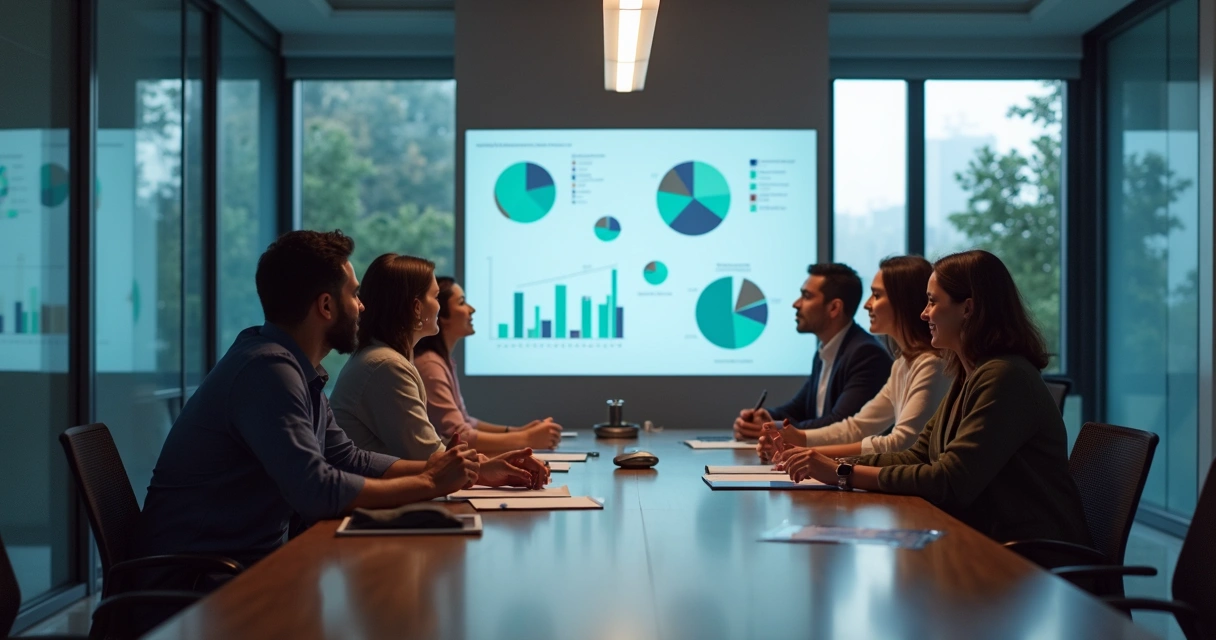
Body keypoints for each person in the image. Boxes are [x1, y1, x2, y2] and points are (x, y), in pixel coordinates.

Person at [134, 231, 531, 585]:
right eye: (354, 295)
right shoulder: (267, 371)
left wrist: (455, 471)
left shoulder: (292, 368)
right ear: (326, 306)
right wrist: (430, 484)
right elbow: (317, 489)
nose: (362, 307)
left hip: (243, 566)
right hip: (197, 582)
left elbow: (346, 457)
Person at [781, 250, 1091, 545]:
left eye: (932, 302)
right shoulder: (968, 373)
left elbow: (949, 481)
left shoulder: (1005, 376)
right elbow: (917, 455)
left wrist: (840, 472)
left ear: (967, 308)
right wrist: (833, 463)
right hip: (986, 539)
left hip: (1028, 557)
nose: (923, 313)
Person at [331, 254, 548, 489]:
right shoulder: (386, 366)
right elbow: (430, 457)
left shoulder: (383, 359)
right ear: (416, 307)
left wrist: (486, 465)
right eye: (435, 297)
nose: (439, 305)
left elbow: (433, 452)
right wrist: (486, 466)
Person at [757, 256, 950, 462]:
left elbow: (900, 443)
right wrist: (799, 439)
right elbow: (858, 426)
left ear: (902, 302)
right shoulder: (903, 364)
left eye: (876, 295)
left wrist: (807, 450)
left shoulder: (930, 364)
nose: (867, 305)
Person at [733, 263, 892, 441]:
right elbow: (797, 410)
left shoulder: (866, 354)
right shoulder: (825, 351)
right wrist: (763, 418)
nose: (796, 304)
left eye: (806, 296)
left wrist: (775, 429)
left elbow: (838, 424)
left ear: (834, 308)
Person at [414, 277, 563, 454]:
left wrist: (520, 432)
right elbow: (460, 436)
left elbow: (466, 421)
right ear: (442, 315)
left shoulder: (441, 361)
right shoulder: (430, 365)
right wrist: (527, 439)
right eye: (462, 303)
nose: (471, 309)